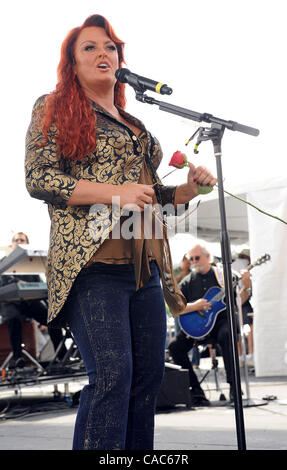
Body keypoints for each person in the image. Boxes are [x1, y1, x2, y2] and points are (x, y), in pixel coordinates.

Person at [25, 14, 217, 450]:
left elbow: (151, 196)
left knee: (145, 382)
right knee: (112, 378)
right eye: (89, 48)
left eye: (110, 46)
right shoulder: (52, 107)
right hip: (91, 268)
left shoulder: (138, 129)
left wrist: (190, 189)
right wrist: (116, 193)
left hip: (145, 272)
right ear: (72, 65)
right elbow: (40, 180)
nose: (102, 53)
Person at [168, 244, 251, 405]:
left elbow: (240, 300)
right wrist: (195, 306)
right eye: (190, 259)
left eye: (197, 258)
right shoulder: (186, 282)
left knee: (227, 335)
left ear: (208, 257)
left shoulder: (222, 276)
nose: (193, 262)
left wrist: (246, 287)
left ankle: (234, 387)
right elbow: (176, 309)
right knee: (174, 348)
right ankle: (195, 391)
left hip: (221, 323)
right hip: (198, 328)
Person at [0, 233, 66, 368]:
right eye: (16, 240)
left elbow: (41, 287)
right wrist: (18, 282)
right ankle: (18, 357)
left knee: (52, 318)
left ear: (27, 243)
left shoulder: (32, 264)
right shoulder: (3, 261)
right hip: (10, 302)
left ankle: (62, 356)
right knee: (13, 318)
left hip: (29, 302)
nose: (19, 242)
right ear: (11, 245)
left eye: (22, 240)